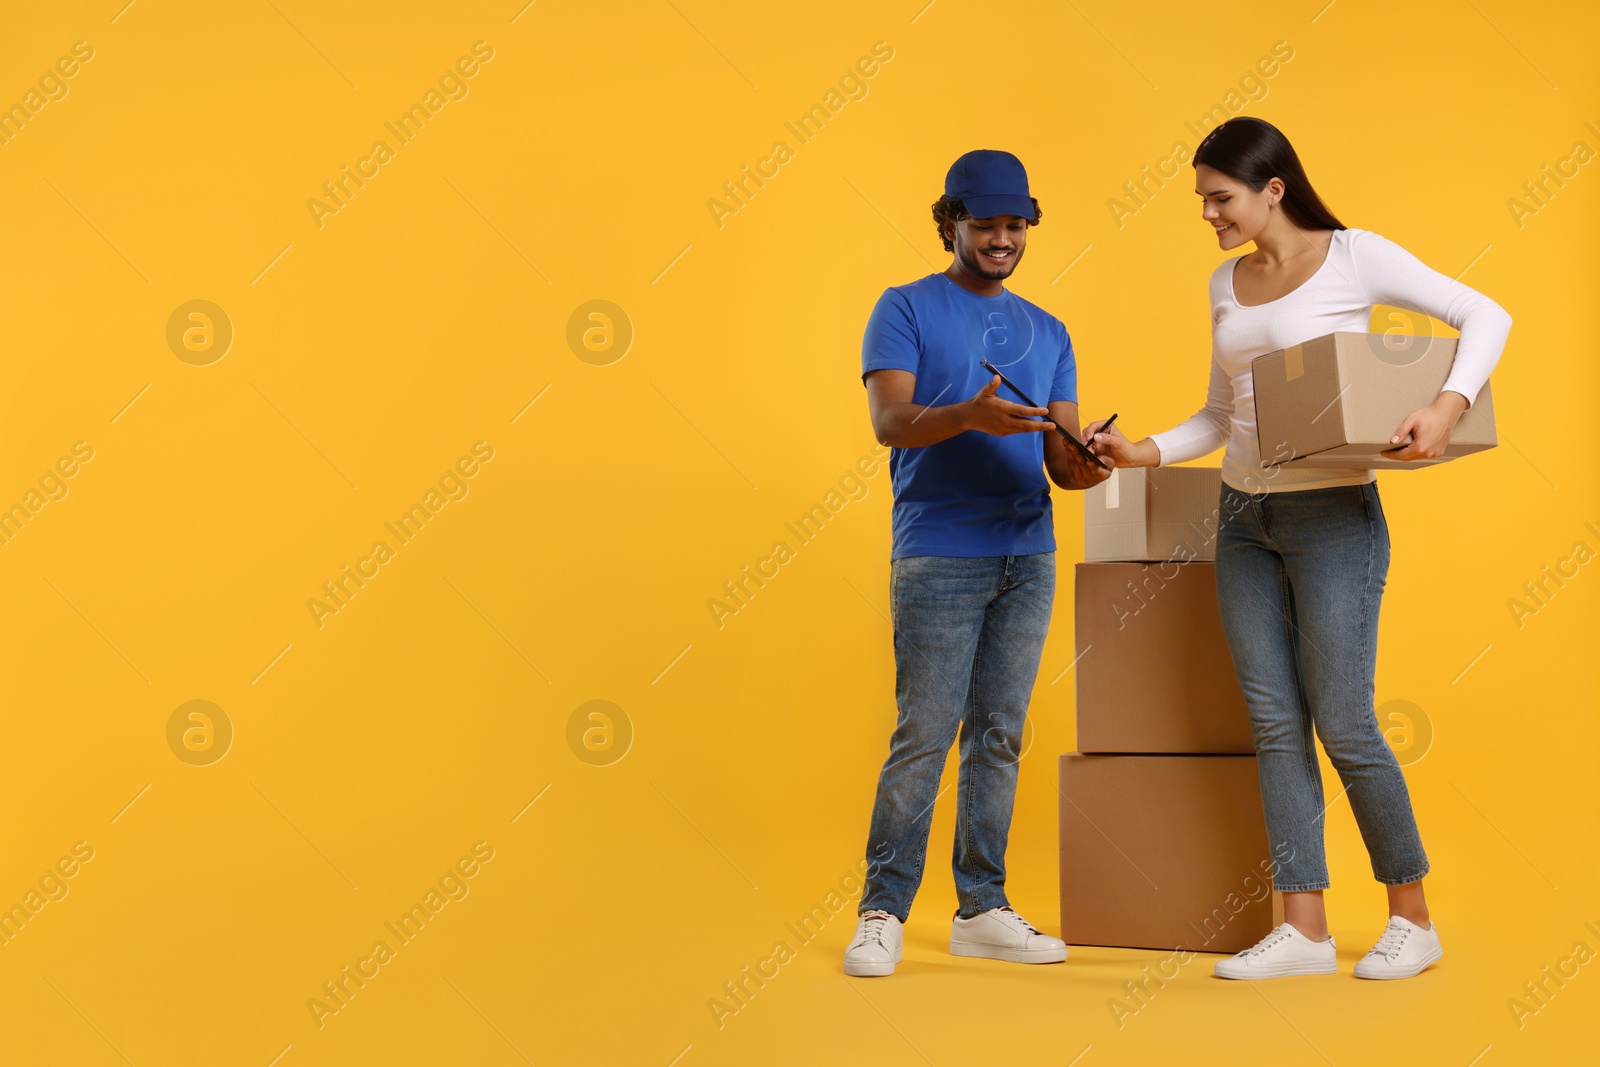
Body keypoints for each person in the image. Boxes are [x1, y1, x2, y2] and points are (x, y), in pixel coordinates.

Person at [1087, 116, 1511, 980]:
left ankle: (1412, 917)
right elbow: (1219, 412)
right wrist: (1143, 452)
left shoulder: (1355, 256)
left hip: (1332, 519)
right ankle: (1306, 929)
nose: (1209, 215)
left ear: (1272, 188)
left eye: (1220, 199)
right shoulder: (1223, 282)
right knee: (1276, 723)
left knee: (1346, 721)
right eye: (1202, 201)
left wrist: (1447, 406)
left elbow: (1487, 313)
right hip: (1244, 518)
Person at [843, 149, 1113, 978]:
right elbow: (891, 421)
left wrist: (1090, 457)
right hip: (938, 551)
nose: (1002, 238)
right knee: (923, 734)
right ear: (950, 222)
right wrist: (968, 413)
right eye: (985, 223)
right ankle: (882, 909)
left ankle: (981, 907)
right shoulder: (904, 308)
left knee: (999, 734)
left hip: (1026, 553)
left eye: (1015, 225)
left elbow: (1060, 466)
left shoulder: (1051, 330)